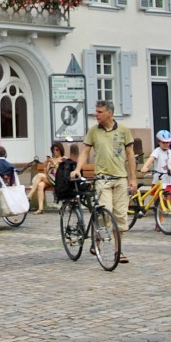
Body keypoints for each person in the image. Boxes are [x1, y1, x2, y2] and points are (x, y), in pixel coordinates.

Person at [71, 100, 137, 263]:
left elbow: (130, 155)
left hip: (120, 178)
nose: (96, 115)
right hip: (102, 179)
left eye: (100, 112)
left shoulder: (123, 131)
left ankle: (118, 251)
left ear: (110, 113)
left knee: (120, 216)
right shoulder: (93, 131)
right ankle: (97, 239)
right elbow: (85, 151)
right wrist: (78, 169)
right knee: (104, 212)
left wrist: (133, 178)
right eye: (96, 111)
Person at [25, 142, 66, 215]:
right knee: (40, 185)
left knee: (40, 175)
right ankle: (40, 209)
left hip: (59, 180)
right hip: (50, 179)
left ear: (61, 150)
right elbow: (46, 173)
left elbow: (61, 171)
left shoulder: (63, 159)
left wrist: (53, 163)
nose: (55, 151)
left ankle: (30, 195)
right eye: (53, 150)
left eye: (57, 149)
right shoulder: (52, 159)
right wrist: (46, 165)